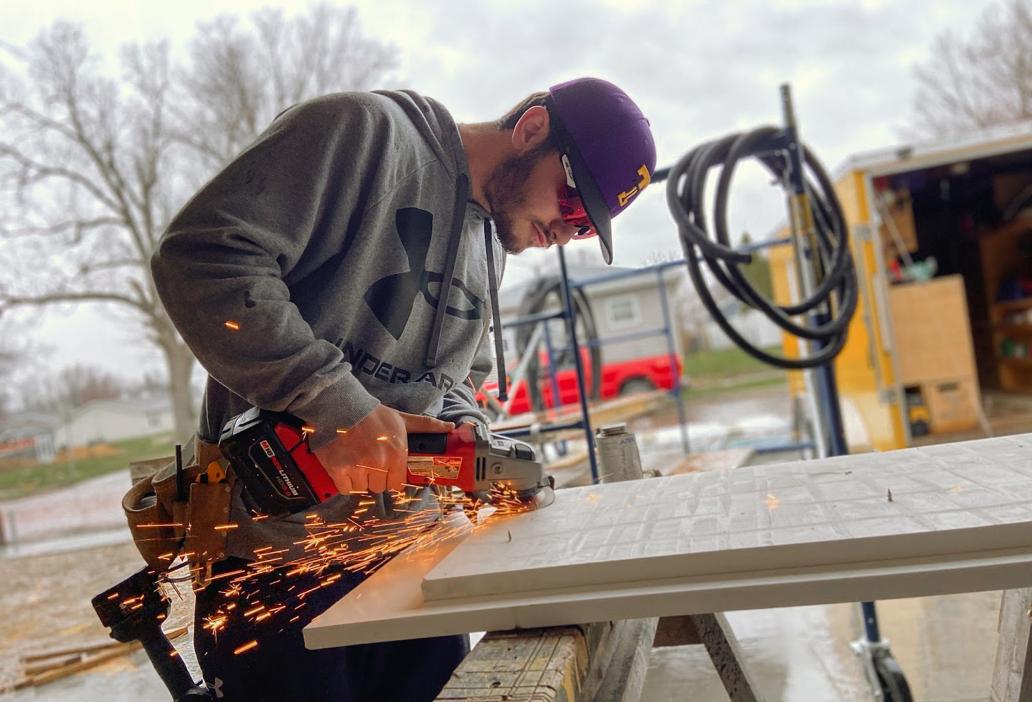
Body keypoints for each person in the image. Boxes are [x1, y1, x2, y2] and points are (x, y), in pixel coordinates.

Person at [151, 76, 656, 702]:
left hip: (409, 559)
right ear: (532, 129)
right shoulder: (362, 136)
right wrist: (335, 403)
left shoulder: (489, 241)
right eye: (573, 208)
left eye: (585, 230)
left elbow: (459, 377)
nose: (565, 232)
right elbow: (202, 256)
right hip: (275, 566)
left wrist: (465, 429)